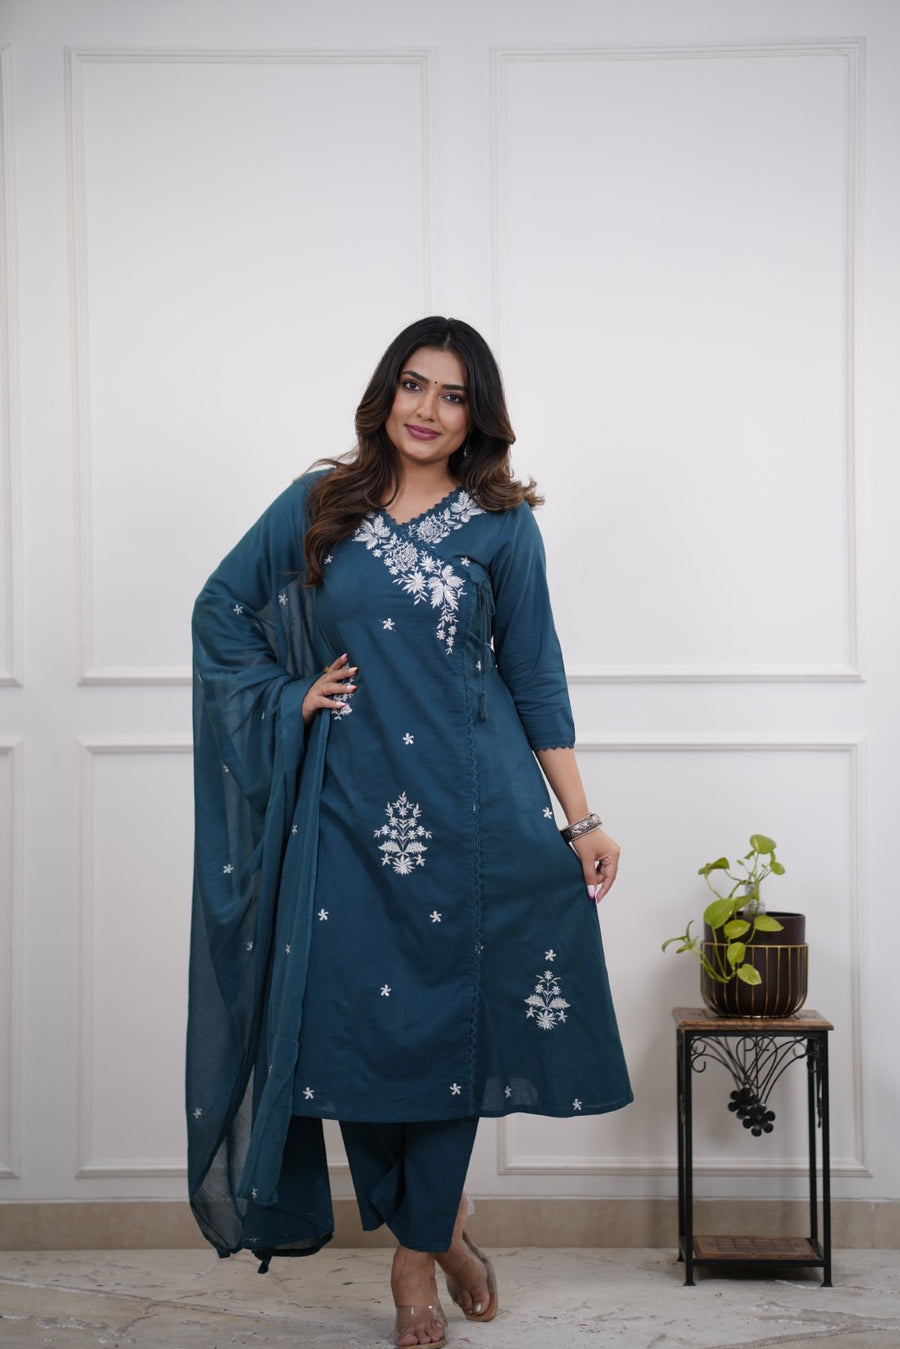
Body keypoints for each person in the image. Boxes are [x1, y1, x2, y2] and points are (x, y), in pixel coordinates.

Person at [187, 316, 632, 1348]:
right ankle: (444, 1222)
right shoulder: (322, 503)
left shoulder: (502, 525)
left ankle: (414, 1256)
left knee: (446, 1037)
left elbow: (535, 675)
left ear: (480, 415)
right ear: (387, 391)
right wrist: (291, 694)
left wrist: (582, 818)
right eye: (415, 385)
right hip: (346, 813)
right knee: (348, 1034)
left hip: (474, 816)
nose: (429, 409)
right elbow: (221, 610)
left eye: (454, 394)